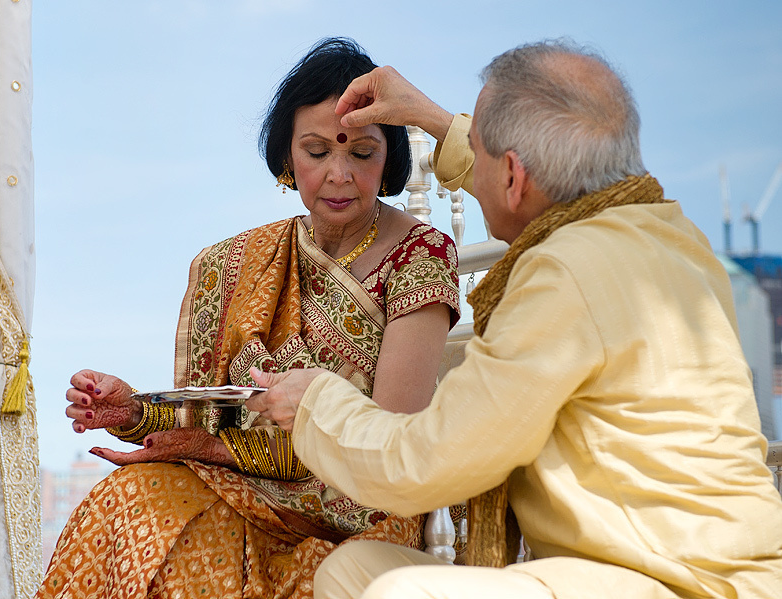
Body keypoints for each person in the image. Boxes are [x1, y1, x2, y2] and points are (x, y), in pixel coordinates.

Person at [246, 40, 782, 599]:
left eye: (476, 156)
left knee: (399, 593)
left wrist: (314, 403)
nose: (468, 177)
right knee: (350, 573)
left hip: (670, 582)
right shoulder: (668, 233)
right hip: (616, 566)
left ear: (514, 178)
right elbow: (517, 174)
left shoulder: (564, 275)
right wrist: (426, 114)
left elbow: (425, 464)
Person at [36, 38, 461, 599]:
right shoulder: (231, 265)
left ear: (389, 162)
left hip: (357, 510)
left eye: (361, 154)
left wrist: (222, 454)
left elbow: (386, 447)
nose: (338, 174)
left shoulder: (420, 253)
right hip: (239, 485)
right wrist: (135, 411)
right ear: (287, 159)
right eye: (316, 152)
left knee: (180, 533)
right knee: (127, 497)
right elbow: (208, 425)